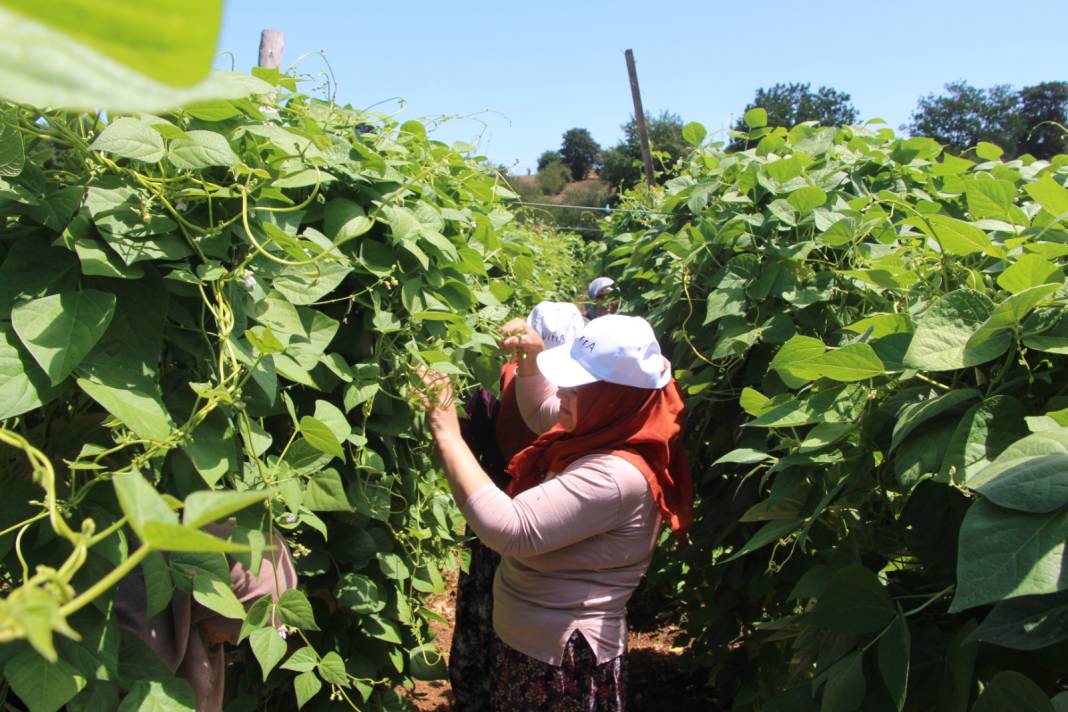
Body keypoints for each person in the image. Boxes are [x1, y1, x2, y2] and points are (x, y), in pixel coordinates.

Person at [420, 315, 692, 711]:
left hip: (562, 664)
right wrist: (531, 359)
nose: (562, 391)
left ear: (611, 397)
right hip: (537, 646)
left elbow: (510, 528)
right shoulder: (604, 425)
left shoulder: (616, 475)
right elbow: (540, 410)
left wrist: (447, 431)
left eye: (575, 385)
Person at [449, 301, 584, 711]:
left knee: (484, 616)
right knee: (527, 626)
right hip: (556, 527)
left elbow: (469, 445)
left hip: (494, 510)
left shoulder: (494, 385)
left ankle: (478, 695)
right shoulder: (582, 396)